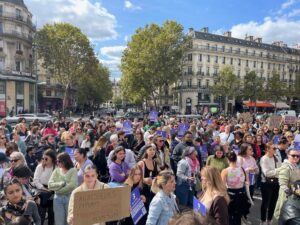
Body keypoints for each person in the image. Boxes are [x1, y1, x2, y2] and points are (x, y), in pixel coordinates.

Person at [48, 152, 77, 225]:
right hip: (57, 199)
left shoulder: (73, 170)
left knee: (70, 221)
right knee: (59, 222)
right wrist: (61, 184)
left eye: (59, 161)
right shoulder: (56, 170)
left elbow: (72, 185)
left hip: (69, 198)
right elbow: (50, 185)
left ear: (65, 161)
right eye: (56, 161)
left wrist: (58, 190)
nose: (57, 163)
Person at [221, 151, 249, 225]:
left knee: (230, 215)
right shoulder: (242, 169)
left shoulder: (225, 171)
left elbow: (222, 186)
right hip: (241, 194)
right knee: (238, 216)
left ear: (228, 160)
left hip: (231, 195)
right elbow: (247, 182)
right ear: (236, 159)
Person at [274, 148, 300, 222]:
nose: (296, 157)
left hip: (295, 196)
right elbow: (282, 184)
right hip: (287, 196)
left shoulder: (295, 165)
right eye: (293, 155)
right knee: (281, 215)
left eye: (298, 156)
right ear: (288, 156)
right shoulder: (286, 167)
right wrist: (290, 192)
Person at [260, 142, 282, 225]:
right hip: (266, 183)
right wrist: (277, 171)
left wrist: (277, 172)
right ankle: (263, 221)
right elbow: (267, 173)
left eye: (275, 148)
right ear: (267, 149)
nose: (275, 150)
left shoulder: (276, 158)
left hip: (276, 183)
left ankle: (269, 220)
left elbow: (281, 168)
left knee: (273, 203)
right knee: (265, 203)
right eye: (274, 148)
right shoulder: (264, 159)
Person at [33, 149, 57, 225]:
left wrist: (51, 189)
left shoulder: (56, 168)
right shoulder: (40, 167)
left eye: (46, 158)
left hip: (52, 191)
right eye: (43, 158)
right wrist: (45, 189)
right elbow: (36, 180)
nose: (44, 160)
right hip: (42, 191)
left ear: (52, 159)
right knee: (41, 213)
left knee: (51, 213)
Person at [137, 144, 159, 209]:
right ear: (146, 151)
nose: (152, 151)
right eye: (150, 150)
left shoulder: (155, 162)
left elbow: (157, 175)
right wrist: (144, 179)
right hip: (143, 190)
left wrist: (156, 178)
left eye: (154, 150)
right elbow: (136, 177)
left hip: (152, 189)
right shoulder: (141, 163)